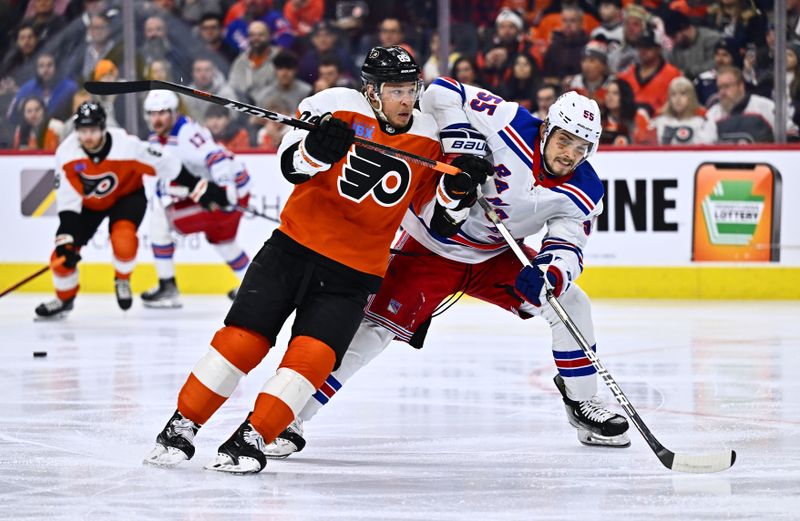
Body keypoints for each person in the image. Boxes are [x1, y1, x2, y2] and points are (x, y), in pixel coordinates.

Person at [143, 46, 494, 473]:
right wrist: (317, 149)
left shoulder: (429, 138)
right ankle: (182, 426)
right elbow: (291, 164)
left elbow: (438, 222)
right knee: (242, 341)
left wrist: (457, 194)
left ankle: (252, 437)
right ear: (372, 90)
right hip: (291, 250)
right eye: (396, 90)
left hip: (354, 273)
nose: (407, 99)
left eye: (411, 89)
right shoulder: (334, 105)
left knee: (312, 360)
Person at [263, 86, 632, 459]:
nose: (569, 154)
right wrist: (462, 137)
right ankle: (291, 413)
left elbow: (569, 244)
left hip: (493, 255)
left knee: (570, 302)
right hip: (431, 246)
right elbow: (442, 90)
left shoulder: (585, 188)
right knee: (372, 331)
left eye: (581, 147)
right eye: (564, 140)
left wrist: (551, 272)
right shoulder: (507, 122)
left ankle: (583, 402)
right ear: (546, 129)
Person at [34, 102, 181, 319]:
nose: (88, 137)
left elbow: (168, 165)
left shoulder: (126, 145)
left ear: (103, 128)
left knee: (124, 241)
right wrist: (67, 241)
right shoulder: (67, 154)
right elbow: (68, 203)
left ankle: (122, 278)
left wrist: (190, 182)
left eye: (93, 130)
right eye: (83, 131)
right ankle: (64, 300)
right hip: (89, 205)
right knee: (61, 256)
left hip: (127, 197)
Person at [140, 90, 252, 308]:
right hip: (224, 190)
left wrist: (226, 190)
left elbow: (216, 157)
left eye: (162, 113)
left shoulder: (186, 133)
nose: (157, 119)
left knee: (160, 221)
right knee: (223, 241)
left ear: (173, 113)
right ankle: (255, 287)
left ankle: (167, 288)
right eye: (152, 114)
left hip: (228, 192)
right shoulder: (156, 138)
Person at [650, 76, 717, 145]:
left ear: (691, 97)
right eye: (674, 94)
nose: (677, 99)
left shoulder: (701, 122)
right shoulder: (660, 121)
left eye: (683, 94)